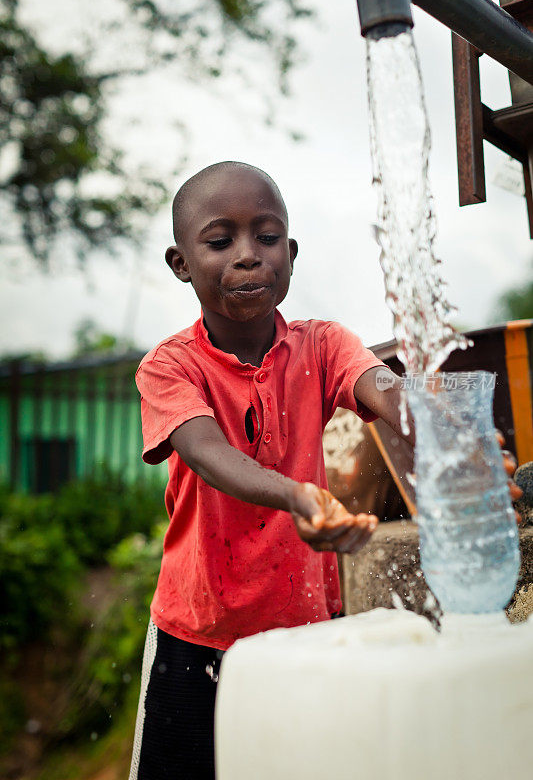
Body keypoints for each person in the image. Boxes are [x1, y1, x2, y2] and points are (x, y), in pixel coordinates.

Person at [129, 161, 521, 780]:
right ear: (181, 262)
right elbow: (207, 453)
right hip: (198, 636)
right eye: (220, 240)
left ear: (291, 250)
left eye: (266, 235)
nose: (249, 255)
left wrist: (458, 444)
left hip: (309, 631)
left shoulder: (322, 345)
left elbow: (388, 392)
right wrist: (298, 495)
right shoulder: (169, 368)